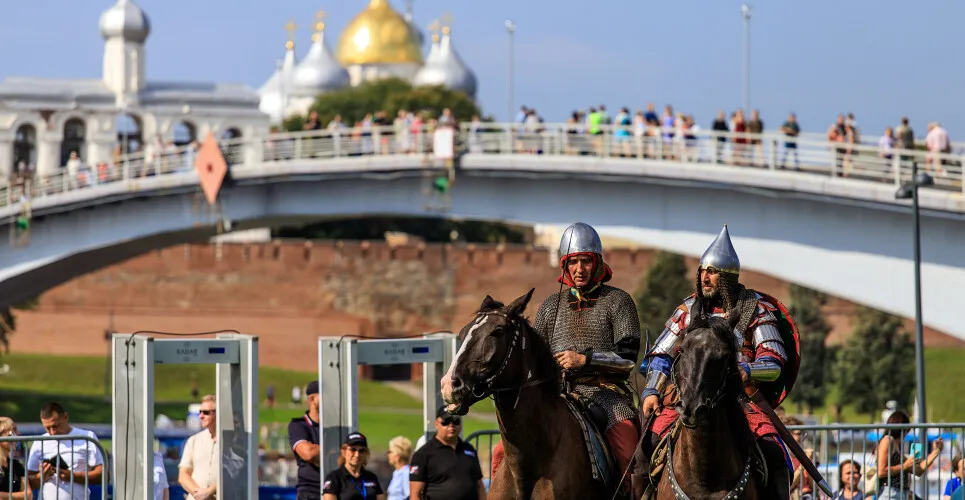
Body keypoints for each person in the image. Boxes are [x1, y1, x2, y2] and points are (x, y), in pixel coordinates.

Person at [637, 225, 799, 500]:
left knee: (774, 451)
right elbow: (660, 355)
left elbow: (774, 361)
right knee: (645, 448)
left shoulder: (756, 308)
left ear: (727, 277)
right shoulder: (688, 310)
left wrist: (746, 370)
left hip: (740, 398)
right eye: (703, 271)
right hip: (687, 395)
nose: (705, 277)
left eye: (712, 272)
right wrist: (653, 389)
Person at [531, 221, 641, 488]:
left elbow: (627, 360)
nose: (579, 269)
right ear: (564, 266)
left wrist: (585, 360)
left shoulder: (618, 301)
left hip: (605, 396)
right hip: (557, 395)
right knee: (502, 453)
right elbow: (534, 361)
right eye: (573, 262)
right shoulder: (549, 307)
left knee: (630, 456)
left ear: (598, 263)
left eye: (586, 261)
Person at [26, 402, 105, 500]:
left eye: (55, 426)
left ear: (66, 417)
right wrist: (40, 476)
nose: (52, 432)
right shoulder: (40, 442)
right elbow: (27, 482)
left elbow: (103, 475)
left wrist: (73, 476)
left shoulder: (87, 437)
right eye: (47, 428)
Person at [409, 407, 485, 500]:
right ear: (436, 423)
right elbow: (415, 494)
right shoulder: (423, 454)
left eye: (456, 421)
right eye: (446, 421)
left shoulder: (469, 450)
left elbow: (479, 485)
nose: (451, 425)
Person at [875, 410, 941, 500]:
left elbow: (919, 470)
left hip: (899, 494)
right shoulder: (888, 440)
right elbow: (881, 471)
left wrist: (936, 451)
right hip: (890, 494)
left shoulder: (896, 447)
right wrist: (905, 465)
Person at [322, 432, 384, 500]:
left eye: (361, 451)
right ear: (344, 452)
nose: (357, 454)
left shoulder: (371, 477)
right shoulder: (334, 478)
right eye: (353, 450)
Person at [179, 394, 218, 500]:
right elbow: (183, 475)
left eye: (206, 412)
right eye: (200, 412)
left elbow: (234, 474)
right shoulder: (194, 441)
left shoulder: (231, 443)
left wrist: (209, 492)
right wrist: (199, 494)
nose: (201, 416)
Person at [289, 381, 321, 500]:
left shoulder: (336, 426)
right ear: (312, 399)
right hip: (310, 492)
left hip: (336, 490)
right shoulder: (298, 425)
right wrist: (335, 448)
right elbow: (308, 453)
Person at [0, 417, 28, 499]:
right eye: (11, 434)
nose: (15, 438)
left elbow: (28, 494)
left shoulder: (16, 465)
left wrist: (2, 495)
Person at [385, 436, 412, 500]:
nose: (387, 454)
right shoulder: (397, 472)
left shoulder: (406, 473)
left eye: (390, 452)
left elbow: (409, 495)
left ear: (398, 456)